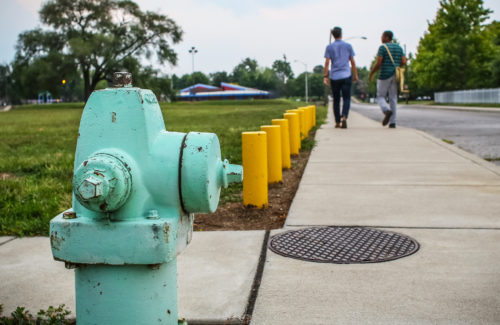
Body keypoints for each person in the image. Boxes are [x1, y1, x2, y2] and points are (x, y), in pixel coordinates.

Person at [369, 30, 407, 128]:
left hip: (384, 75)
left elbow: (379, 63)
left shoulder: (383, 47)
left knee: (380, 96)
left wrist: (372, 73)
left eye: (382, 36)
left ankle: (386, 110)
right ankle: (392, 122)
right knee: (393, 98)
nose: (381, 38)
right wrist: (397, 65)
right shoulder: (399, 47)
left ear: (386, 37)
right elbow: (404, 61)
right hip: (396, 74)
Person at [323, 26, 358, 129]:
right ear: (341, 34)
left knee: (336, 100)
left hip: (334, 77)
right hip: (346, 75)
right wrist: (355, 74)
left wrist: (326, 76)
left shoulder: (329, 47)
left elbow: (327, 62)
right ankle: (344, 116)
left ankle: (337, 122)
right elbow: (352, 62)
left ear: (333, 35)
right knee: (347, 98)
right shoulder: (348, 46)